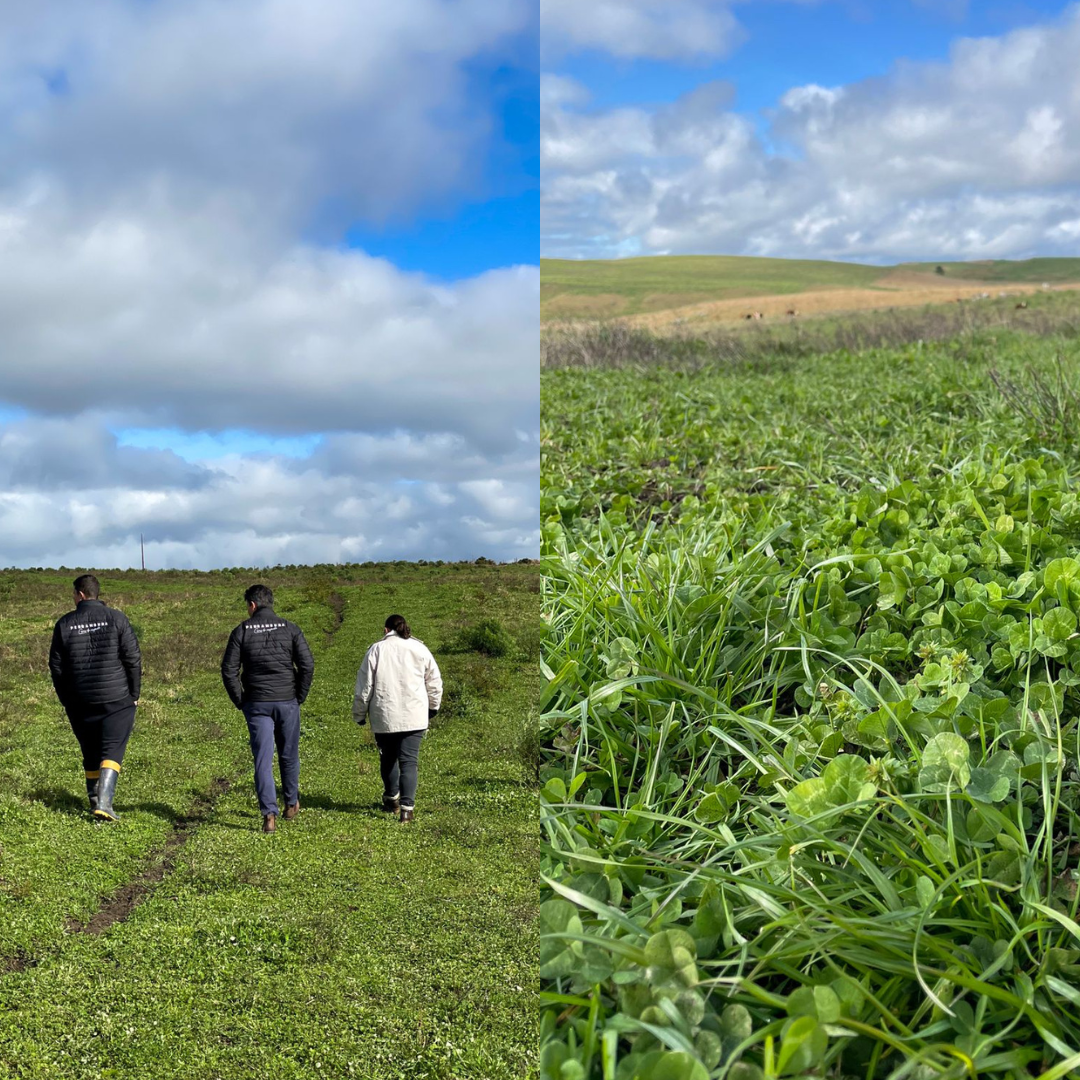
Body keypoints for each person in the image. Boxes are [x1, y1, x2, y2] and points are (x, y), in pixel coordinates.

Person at [221, 584, 314, 834]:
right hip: (287, 701)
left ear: (252, 605)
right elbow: (307, 665)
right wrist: (299, 695)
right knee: (288, 754)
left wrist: (241, 700)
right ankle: (291, 803)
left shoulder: (241, 631)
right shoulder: (290, 628)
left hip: (257, 704)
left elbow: (229, 671)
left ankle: (269, 814)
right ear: (270, 603)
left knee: (263, 758)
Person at [48, 573, 142, 822]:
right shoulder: (117, 618)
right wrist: (134, 693)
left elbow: (56, 667)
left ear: (80, 594)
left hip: (79, 701)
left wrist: (66, 698)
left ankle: (93, 800)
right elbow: (132, 659)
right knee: (111, 749)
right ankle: (104, 803)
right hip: (117, 699)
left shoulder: (64, 624)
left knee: (89, 750)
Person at [352, 614, 442, 823]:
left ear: (385, 630)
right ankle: (406, 810)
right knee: (409, 761)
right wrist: (433, 707)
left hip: (385, 716)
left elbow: (364, 687)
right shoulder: (420, 649)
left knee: (388, 758)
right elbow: (434, 681)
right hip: (415, 716)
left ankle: (392, 797)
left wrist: (359, 714)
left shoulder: (376, 650)